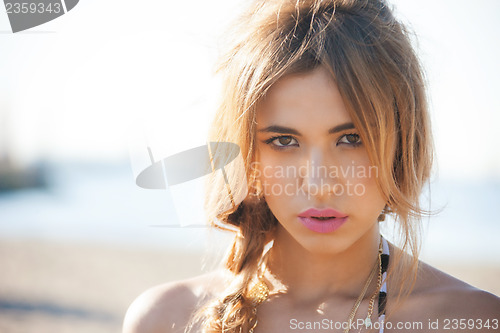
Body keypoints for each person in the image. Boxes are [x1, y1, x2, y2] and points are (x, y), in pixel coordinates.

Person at [123, 0, 500, 332]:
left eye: (353, 139)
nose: (320, 185)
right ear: (247, 155)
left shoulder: (472, 320)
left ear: (401, 145)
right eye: (284, 141)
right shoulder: (167, 320)